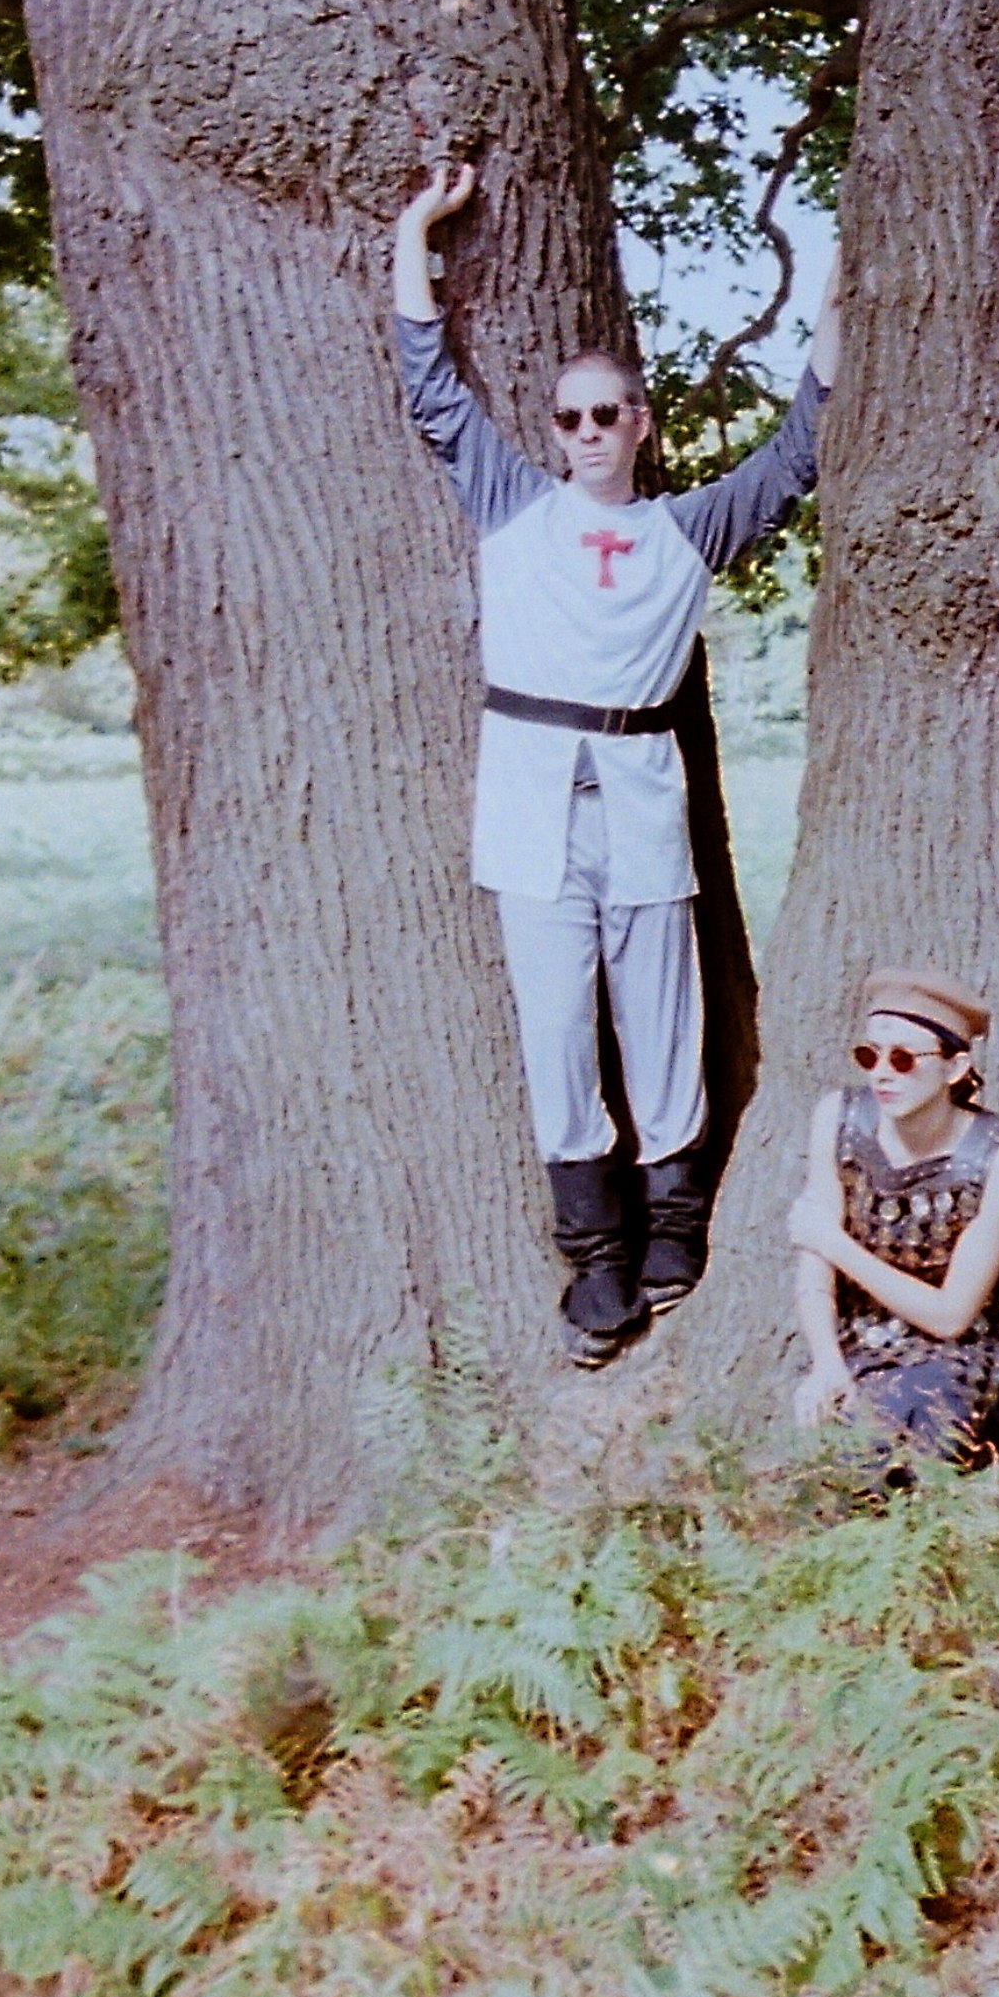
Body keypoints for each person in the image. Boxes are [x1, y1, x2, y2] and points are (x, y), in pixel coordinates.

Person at [389, 159, 838, 1367]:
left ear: (640, 423)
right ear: (552, 431)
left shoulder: (685, 531)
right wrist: (416, 229)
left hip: (639, 796)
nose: (587, 433)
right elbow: (431, 387)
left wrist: (833, 313)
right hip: (531, 799)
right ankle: (594, 1258)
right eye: (569, 417)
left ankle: (672, 1234)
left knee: (661, 1018)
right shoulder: (514, 507)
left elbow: (796, 456)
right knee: (556, 1026)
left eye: (607, 414)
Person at [786, 969, 999, 1462]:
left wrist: (834, 1243)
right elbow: (814, 1268)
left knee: (900, 1438)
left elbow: (952, 1316)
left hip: (962, 1352)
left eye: (904, 1059)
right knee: (829, 1437)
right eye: (870, 1056)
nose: (882, 1074)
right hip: (860, 1337)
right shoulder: (838, 1118)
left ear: (954, 1068)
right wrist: (826, 1362)